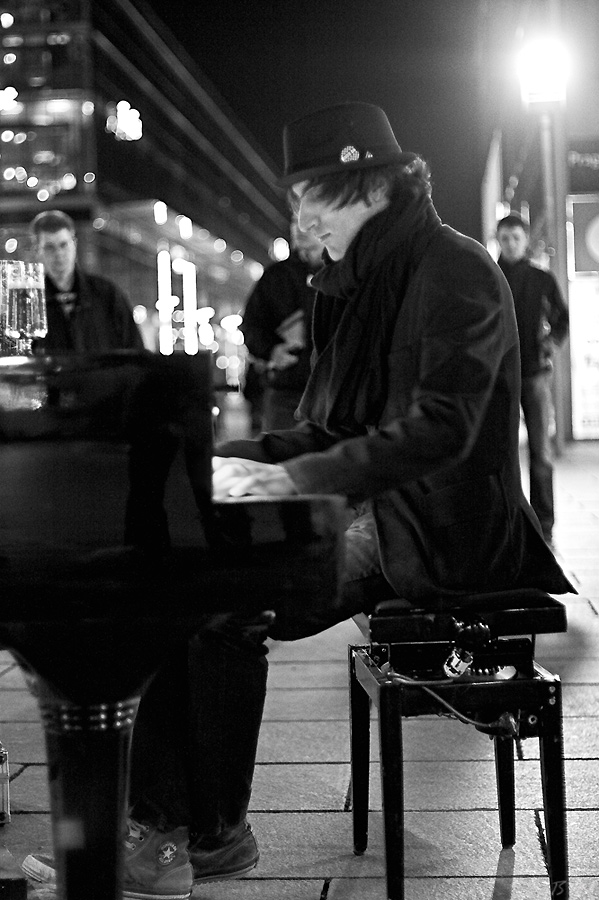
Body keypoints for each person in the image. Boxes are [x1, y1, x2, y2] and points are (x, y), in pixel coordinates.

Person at [22, 102, 574, 899]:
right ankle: (159, 826)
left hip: (441, 530)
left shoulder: (453, 269)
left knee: (225, 602)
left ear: (365, 185)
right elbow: (325, 430)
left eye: (306, 195)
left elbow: (438, 431)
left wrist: (286, 483)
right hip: (378, 511)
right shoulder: (360, 282)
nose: (299, 217)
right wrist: (206, 467)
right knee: (178, 575)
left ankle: (210, 833)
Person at [496, 213, 569, 545]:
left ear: (525, 240)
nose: (510, 244)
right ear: (497, 240)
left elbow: (561, 318)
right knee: (501, 454)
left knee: (540, 452)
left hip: (535, 375)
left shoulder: (541, 278)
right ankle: (508, 521)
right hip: (498, 379)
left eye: (515, 237)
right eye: (505, 238)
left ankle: (544, 523)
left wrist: (550, 344)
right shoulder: (488, 276)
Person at [242, 219, 322, 430]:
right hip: (287, 392)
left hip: (333, 392)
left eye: (309, 221)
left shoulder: (345, 273)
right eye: (295, 221)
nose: (300, 228)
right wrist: (272, 351)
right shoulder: (276, 276)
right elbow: (251, 325)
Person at [29, 210, 144, 352]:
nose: (58, 254)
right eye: (49, 247)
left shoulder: (107, 294)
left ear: (74, 244)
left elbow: (135, 350)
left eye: (63, 245)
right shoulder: (30, 304)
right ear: (37, 251)